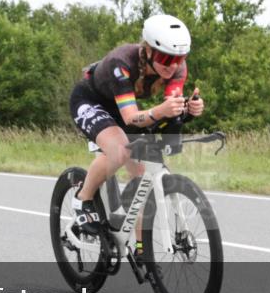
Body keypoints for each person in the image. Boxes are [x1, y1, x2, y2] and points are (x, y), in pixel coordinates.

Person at [68, 14, 205, 248]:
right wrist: (160, 111)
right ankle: (83, 198)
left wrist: (188, 110)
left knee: (143, 176)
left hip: (124, 106)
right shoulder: (122, 63)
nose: (172, 65)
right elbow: (131, 118)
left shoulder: (177, 69)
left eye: (179, 59)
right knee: (120, 151)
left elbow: (170, 112)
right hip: (91, 101)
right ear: (148, 50)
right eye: (165, 58)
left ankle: (142, 249)